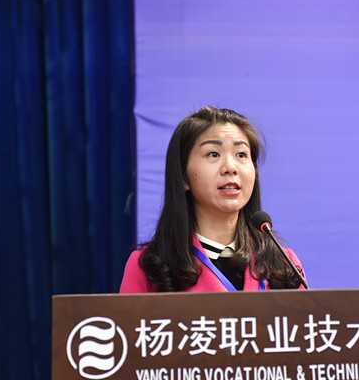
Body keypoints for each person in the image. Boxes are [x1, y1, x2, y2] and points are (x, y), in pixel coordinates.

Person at [120, 106, 306, 293]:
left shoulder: (283, 265)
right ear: (183, 177)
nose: (230, 167)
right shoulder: (149, 267)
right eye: (213, 154)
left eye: (241, 154)